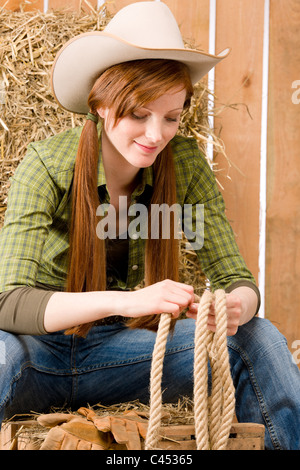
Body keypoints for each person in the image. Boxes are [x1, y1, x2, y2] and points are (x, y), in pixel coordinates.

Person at [0, 1, 299, 450]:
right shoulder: (47, 165)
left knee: (260, 337)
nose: (156, 134)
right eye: (139, 114)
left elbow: (237, 279)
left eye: (171, 117)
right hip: (35, 353)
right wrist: (131, 300)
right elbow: (8, 303)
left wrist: (234, 306)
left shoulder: (184, 168)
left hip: (121, 356)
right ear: (102, 105)